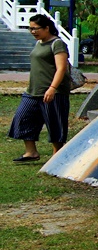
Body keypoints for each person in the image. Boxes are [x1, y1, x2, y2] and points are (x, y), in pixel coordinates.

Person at [8, 14, 71, 162]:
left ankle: (58, 154)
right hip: (33, 91)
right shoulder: (39, 44)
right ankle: (31, 152)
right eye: (30, 29)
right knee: (22, 118)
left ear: (46, 28)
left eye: (36, 29)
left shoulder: (57, 43)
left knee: (55, 123)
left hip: (53, 91)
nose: (32, 32)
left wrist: (52, 88)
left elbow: (61, 68)